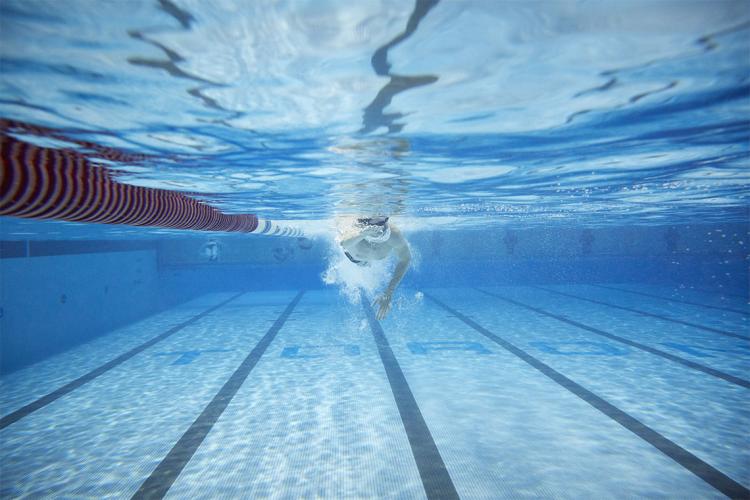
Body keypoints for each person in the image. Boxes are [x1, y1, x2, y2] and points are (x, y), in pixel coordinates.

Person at [339, 216, 411, 320]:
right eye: (376, 233)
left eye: (381, 234)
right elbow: (343, 243)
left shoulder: (394, 235)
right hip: (355, 256)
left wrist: (389, 292)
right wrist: (363, 233)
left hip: (363, 252)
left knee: (367, 256)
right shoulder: (356, 230)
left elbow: (406, 259)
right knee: (353, 248)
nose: (378, 234)